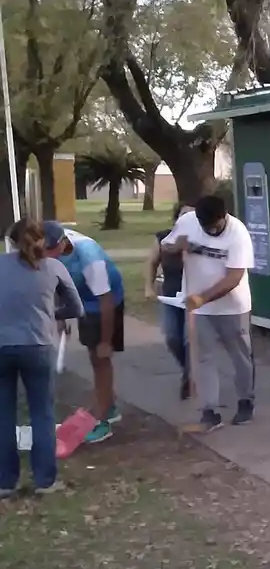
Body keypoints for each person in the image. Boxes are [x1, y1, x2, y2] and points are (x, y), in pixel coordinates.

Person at [1, 219, 84, 497]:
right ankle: (45, 480)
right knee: (42, 413)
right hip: (38, 346)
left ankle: (5, 481)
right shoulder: (54, 267)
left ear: (11, 241)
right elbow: (76, 307)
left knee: (4, 414)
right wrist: (51, 314)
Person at [164, 195, 255, 430]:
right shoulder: (187, 222)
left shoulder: (238, 233)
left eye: (213, 227)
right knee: (203, 357)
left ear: (223, 217)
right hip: (199, 308)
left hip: (232, 307)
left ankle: (245, 401)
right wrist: (177, 246)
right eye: (204, 226)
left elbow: (234, 277)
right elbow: (165, 244)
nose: (209, 231)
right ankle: (209, 410)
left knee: (240, 357)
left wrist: (203, 297)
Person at [42, 221, 125, 443]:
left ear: (62, 243)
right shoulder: (50, 251)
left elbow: (106, 301)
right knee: (93, 354)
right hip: (82, 300)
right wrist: (62, 315)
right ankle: (109, 405)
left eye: (50, 251)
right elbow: (57, 282)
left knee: (101, 356)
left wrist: (106, 341)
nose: (46, 256)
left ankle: (103, 420)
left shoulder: (89, 258)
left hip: (105, 302)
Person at [145, 202, 194, 400]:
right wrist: (148, 287)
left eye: (193, 216)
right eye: (184, 215)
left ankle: (191, 378)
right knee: (172, 338)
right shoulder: (164, 238)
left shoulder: (203, 240)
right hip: (171, 295)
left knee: (189, 339)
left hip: (195, 298)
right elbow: (151, 262)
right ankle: (188, 370)